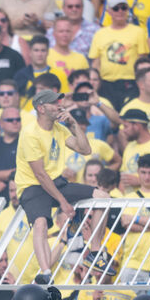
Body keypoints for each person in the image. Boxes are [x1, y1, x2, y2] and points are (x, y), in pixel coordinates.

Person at [15, 89, 101, 280]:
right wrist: (63, 202)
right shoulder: (30, 133)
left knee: (102, 197)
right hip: (32, 186)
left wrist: (73, 124)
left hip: (55, 182)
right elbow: (40, 174)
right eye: (54, 102)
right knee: (40, 223)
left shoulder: (60, 129)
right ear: (41, 108)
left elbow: (85, 150)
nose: (59, 105)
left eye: (60, 101)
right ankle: (46, 272)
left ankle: (95, 251)